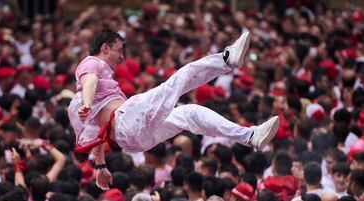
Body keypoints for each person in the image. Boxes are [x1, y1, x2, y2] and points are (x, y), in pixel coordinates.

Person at [69, 29, 280, 190]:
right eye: (119, 50)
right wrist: (87, 103)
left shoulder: (80, 106)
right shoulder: (91, 63)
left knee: (190, 114)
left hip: (133, 140)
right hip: (125, 121)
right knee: (180, 79)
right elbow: (89, 81)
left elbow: (95, 136)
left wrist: (100, 168)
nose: (122, 57)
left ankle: (251, 136)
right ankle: (226, 59)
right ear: (105, 48)